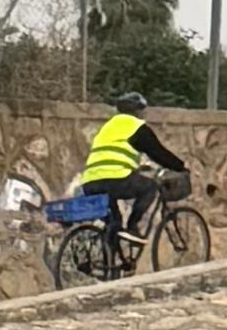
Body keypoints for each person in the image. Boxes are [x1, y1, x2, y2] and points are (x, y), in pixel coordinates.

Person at [76, 93, 189, 269]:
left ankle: (112, 267)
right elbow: (157, 152)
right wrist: (180, 166)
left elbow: (113, 154)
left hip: (90, 182)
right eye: (142, 111)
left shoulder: (107, 127)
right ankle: (133, 226)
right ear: (137, 111)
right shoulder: (135, 126)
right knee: (150, 187)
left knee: (114, 223)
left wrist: (135, 168)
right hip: (115, 179)